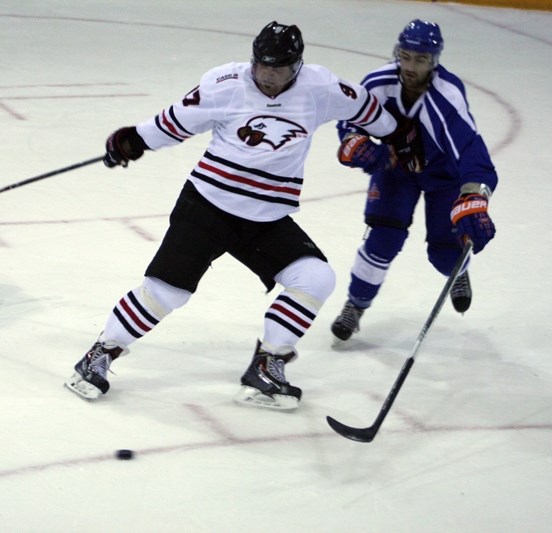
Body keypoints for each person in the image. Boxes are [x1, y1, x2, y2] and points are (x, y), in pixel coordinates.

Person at [64, 21, 424, 410]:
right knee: (167, 292)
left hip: (266, 218)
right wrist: (132, 140)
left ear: (297, 66)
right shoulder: (226, 83)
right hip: (206, 207)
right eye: (262, 65)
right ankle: (98, 356)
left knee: (315, 277)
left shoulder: (321, 88)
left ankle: (266, 368)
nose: (268, 75)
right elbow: (174, 121)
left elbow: (368, 110)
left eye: (279, 68)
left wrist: (398, 137)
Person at [329, 19, 498, 341]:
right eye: (405, 56)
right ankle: (356, 304)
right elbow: (351, 121)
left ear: (434, 61)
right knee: (383, 239)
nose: (410, 66)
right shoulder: (378, 83)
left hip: (443, 176)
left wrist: (474, 194)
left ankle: (458, 271)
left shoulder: (446, 96)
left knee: (444, 252)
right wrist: (355, 143)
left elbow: (470, 149)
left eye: (420, 60)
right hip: (396, 170)